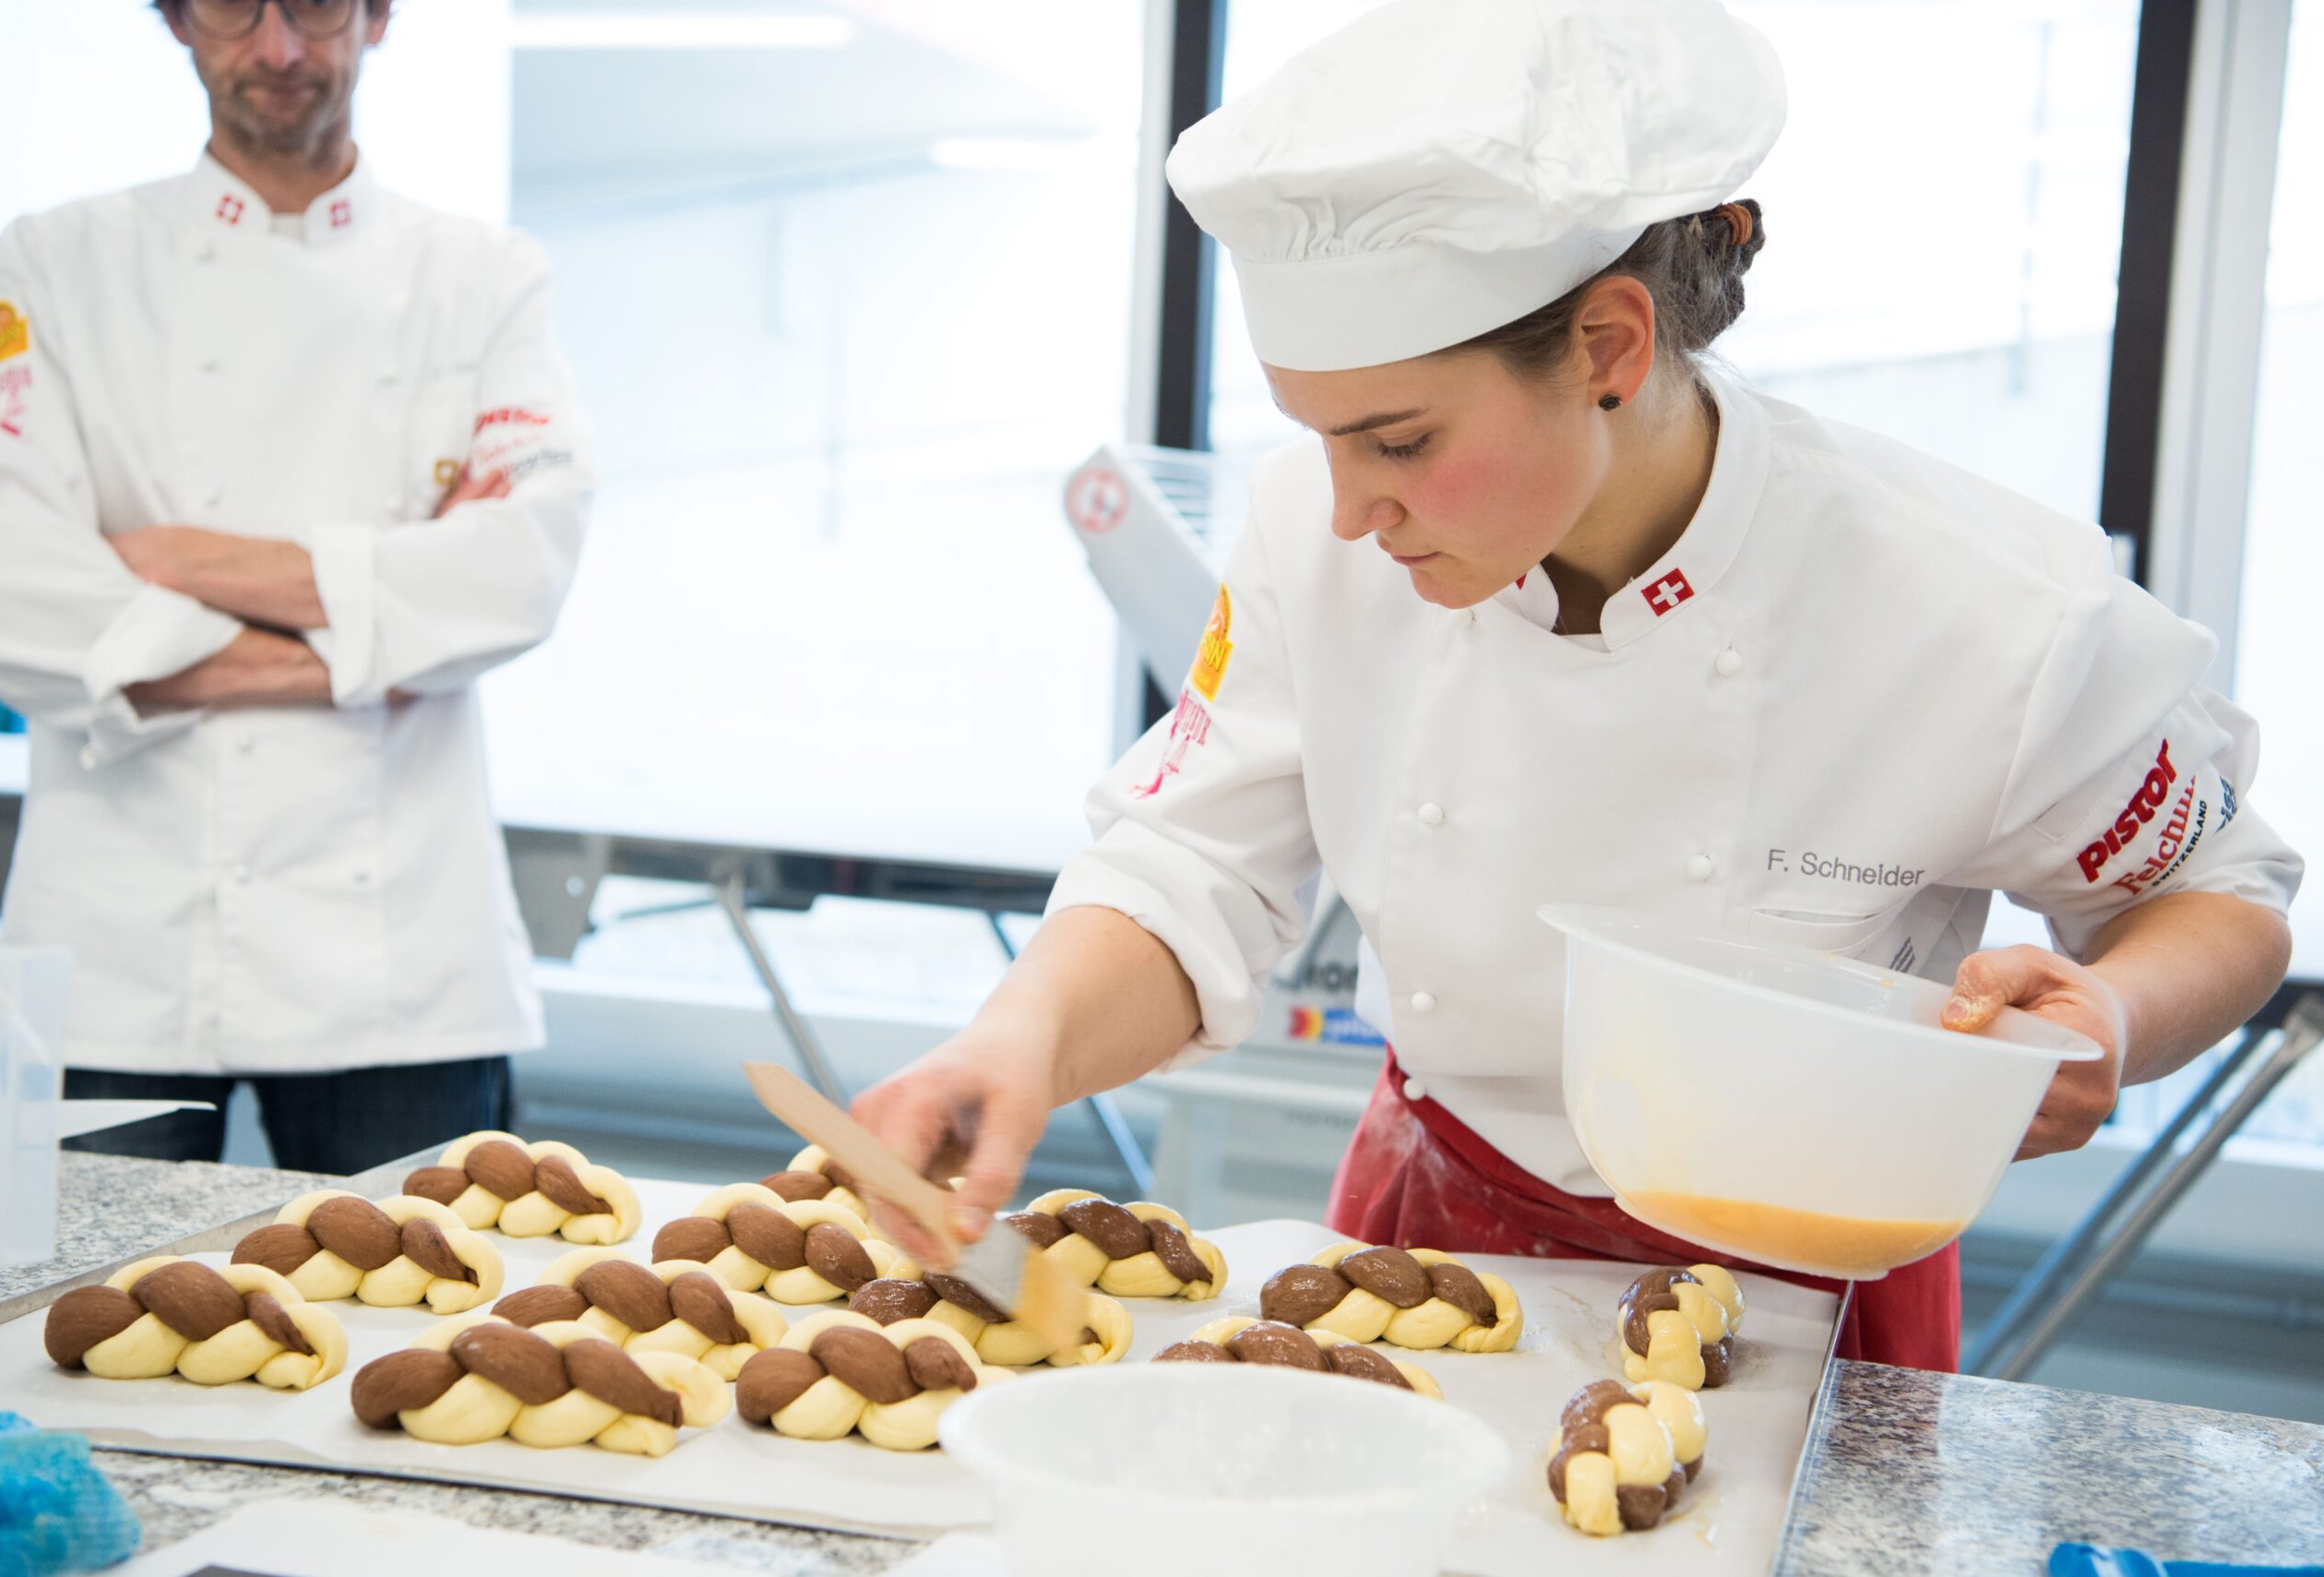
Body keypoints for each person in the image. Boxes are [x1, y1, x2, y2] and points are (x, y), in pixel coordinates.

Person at [852, 0, 2300, 1370]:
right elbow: (1195, 868)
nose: (1350, 508)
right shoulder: (1317, 533)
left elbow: (2221, 886)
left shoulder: (1973, 608)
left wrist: (2108, 1018)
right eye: (1320, 436)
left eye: (1400, 441)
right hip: (1429, 1236)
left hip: (1794, 1290)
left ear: (1610, 344)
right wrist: (1020, 1042)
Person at [0, 0, 593, 1173]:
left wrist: (179, 556)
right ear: (173, 21)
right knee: (72, 1334)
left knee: (415, 1335)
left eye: (313, 4)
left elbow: (521, 569)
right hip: (119, 945)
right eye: (230, 6)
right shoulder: (58, 261)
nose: (278, 48)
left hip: (401, 961)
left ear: (378, 17)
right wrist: (365, 646)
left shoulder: (482, 274)